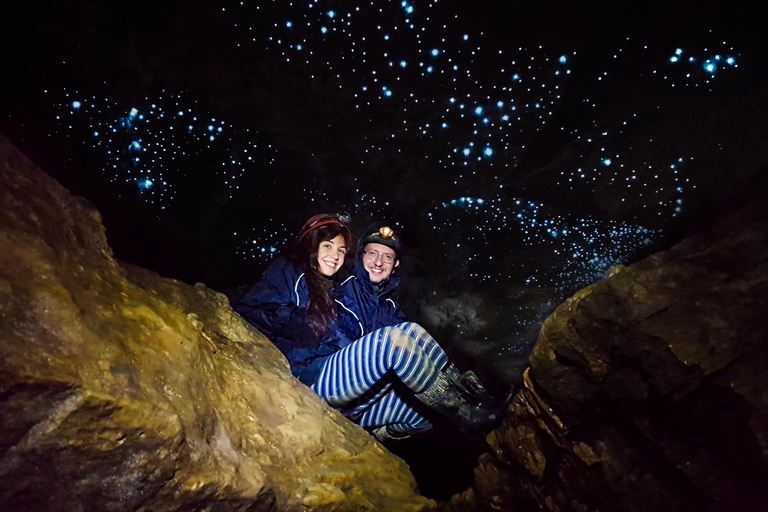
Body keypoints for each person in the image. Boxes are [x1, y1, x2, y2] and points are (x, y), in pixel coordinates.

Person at [235, 214, 498, 442]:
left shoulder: (351, 292)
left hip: (355, 391)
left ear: (396, 265)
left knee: (426, 411)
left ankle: (471, 396)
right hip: (315, 376)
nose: (335, 255)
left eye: (340, 250)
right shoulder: (297, 272)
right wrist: (300, 320)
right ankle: (463, 411)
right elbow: (254, 308)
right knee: (395, 340)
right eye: (328, 246)